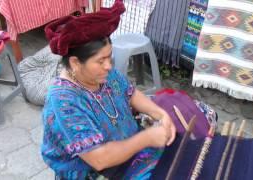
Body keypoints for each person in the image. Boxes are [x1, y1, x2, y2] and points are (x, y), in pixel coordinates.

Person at [41, 0, 176, 179]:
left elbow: (130, 93)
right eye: (100, 60)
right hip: (92, 171)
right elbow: (99, 159)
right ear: (75, 62)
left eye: (109, 57)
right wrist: (148, 138)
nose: (108, 66)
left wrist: (160, 114)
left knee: (198, 120)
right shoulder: (63, 101)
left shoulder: (104, 74)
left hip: (128, 145)